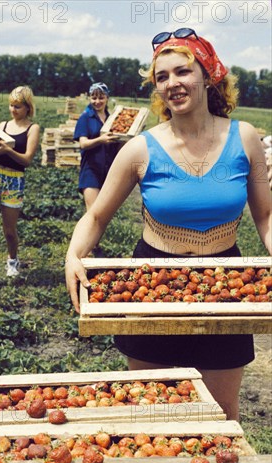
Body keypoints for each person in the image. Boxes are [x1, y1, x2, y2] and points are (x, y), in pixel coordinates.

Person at [65, 29, 271, 421]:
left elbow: (265, 215)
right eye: (162, 77)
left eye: (183, 71)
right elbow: (95, 216)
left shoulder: (244, 139)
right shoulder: (141, 149)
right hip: (151, 282)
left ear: (207, 75)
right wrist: (74, 254)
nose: (173, 83)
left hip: (225, 287)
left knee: (222, 414)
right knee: (153, 413)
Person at [0, 85, 40, 289]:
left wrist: (8, 149)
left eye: (18, 106)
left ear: (28, 107)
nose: (13, 110)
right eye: (11, 105)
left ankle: (12, 260)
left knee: (9, 231)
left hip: (14, 180)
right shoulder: (2, 125)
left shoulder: (33, 128)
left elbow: (27, 160)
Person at [74, 82, 120, 212]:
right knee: (93, 212)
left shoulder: (113, 118)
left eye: (101, 97)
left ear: (107, 98)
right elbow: (83, 143)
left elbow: (118, 145)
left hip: (108, 171)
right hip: (91, 170)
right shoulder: (85, 118)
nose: (97, 101)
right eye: (94, 98)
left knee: (104, 213)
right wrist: (101, 140)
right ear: (89, 98)